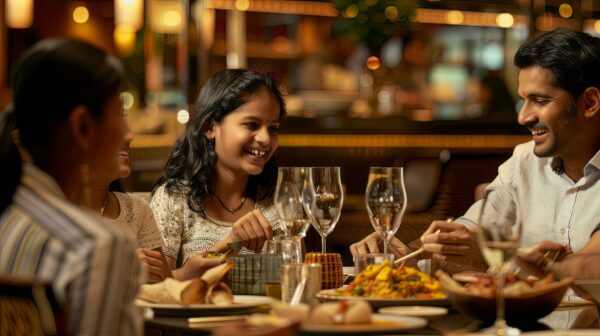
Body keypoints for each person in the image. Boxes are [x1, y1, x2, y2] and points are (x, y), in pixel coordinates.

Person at [351, 28, 600, 328]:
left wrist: (496, 258)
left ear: (589, 103)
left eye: (540, 100)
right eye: (523, 100)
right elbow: (465, 236)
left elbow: (588, 266)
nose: (523, 117)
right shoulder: (524, 160)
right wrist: (409, 255)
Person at [0, 38, 143, 335]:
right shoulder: (96, 247)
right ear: (83, 128)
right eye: (119, 115)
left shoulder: (9, 211)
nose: (128, 134)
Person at [151, 69, 286, 280]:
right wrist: (228, 244)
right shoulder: (174, 200)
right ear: (210, 127)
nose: (265, 139)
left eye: (273, 128)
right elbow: (154, 286)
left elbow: (297, 279)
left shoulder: (279, 201)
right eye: (251, 124)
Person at [85, 126, 172, 283]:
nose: (129, 137)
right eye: (117, 120)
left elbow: (165, 286)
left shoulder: (136, 208)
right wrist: (121, 270)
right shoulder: (53, 211)